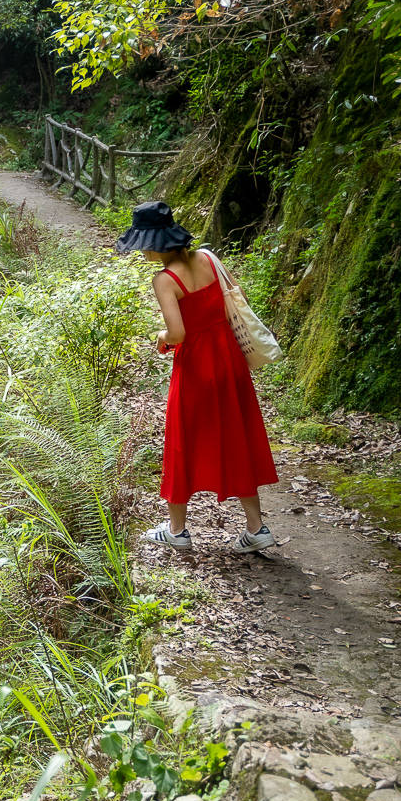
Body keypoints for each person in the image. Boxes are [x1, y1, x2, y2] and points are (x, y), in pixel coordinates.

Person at [117, 201, 279, 552]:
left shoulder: (165, 279)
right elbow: (237, 298)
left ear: (153, 243)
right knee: (238, 436)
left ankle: (177, 531)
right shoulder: (208, 259)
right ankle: (257, 528)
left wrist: (161, 337)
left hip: (196, 367)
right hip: (229, 359)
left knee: (182, 441)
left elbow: (177, 334)